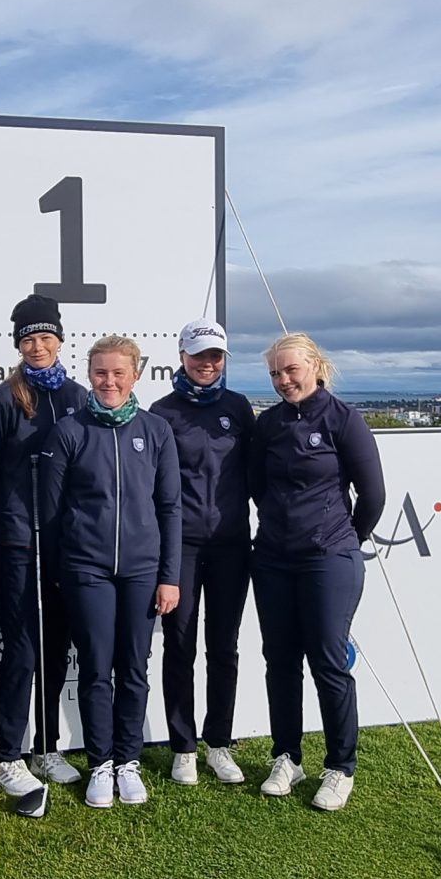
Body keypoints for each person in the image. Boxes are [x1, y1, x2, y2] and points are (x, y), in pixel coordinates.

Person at [37, 335, 182, 808]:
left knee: (134, 668)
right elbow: (51, 512)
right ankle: (101, 762)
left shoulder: (156, 431)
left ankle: (128, 760)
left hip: (142, 570)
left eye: (119, 373)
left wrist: (169, 575)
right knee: (97, 668)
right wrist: (60, 571)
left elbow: (170, 507)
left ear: (135, 375)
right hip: (87, 569)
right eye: (100, 372)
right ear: (89, 374)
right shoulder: (69, 431)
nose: (109, 381)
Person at [248, 331, 385, 812]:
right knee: (280, 662)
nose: (283, 380)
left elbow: (373, 495)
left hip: (329, 558)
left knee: (328, 663)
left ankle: (340, 766)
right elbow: (257, 486)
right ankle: (287, 757)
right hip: (272, 558)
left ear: (316, 367)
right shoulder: (268, 424)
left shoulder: (344, 420)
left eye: (291, 369)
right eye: (275, 373)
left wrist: (344, 538)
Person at [0, 294, 90, 798]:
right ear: (18, 345)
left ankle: (46, 747)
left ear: (60, 341)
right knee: (21, 649)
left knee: (56, 647)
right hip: (21, 543)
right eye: (29, 339)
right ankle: (8, 756)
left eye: (46, 337)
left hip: (66, 545)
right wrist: (9, 524)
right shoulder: (5, 400)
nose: (38, 346)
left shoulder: (78, 396)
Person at [146, 318, 258, 786]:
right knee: (179, 645)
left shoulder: (239, 407)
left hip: (232, 545)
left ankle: (219, 743)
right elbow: (154, 487)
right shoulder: (162, 412)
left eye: (215, 356)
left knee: (224, 647)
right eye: (198, 355)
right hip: (183, 546)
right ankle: (183, 747)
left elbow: (255, 472)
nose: (207, 364)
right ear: (182, 356)